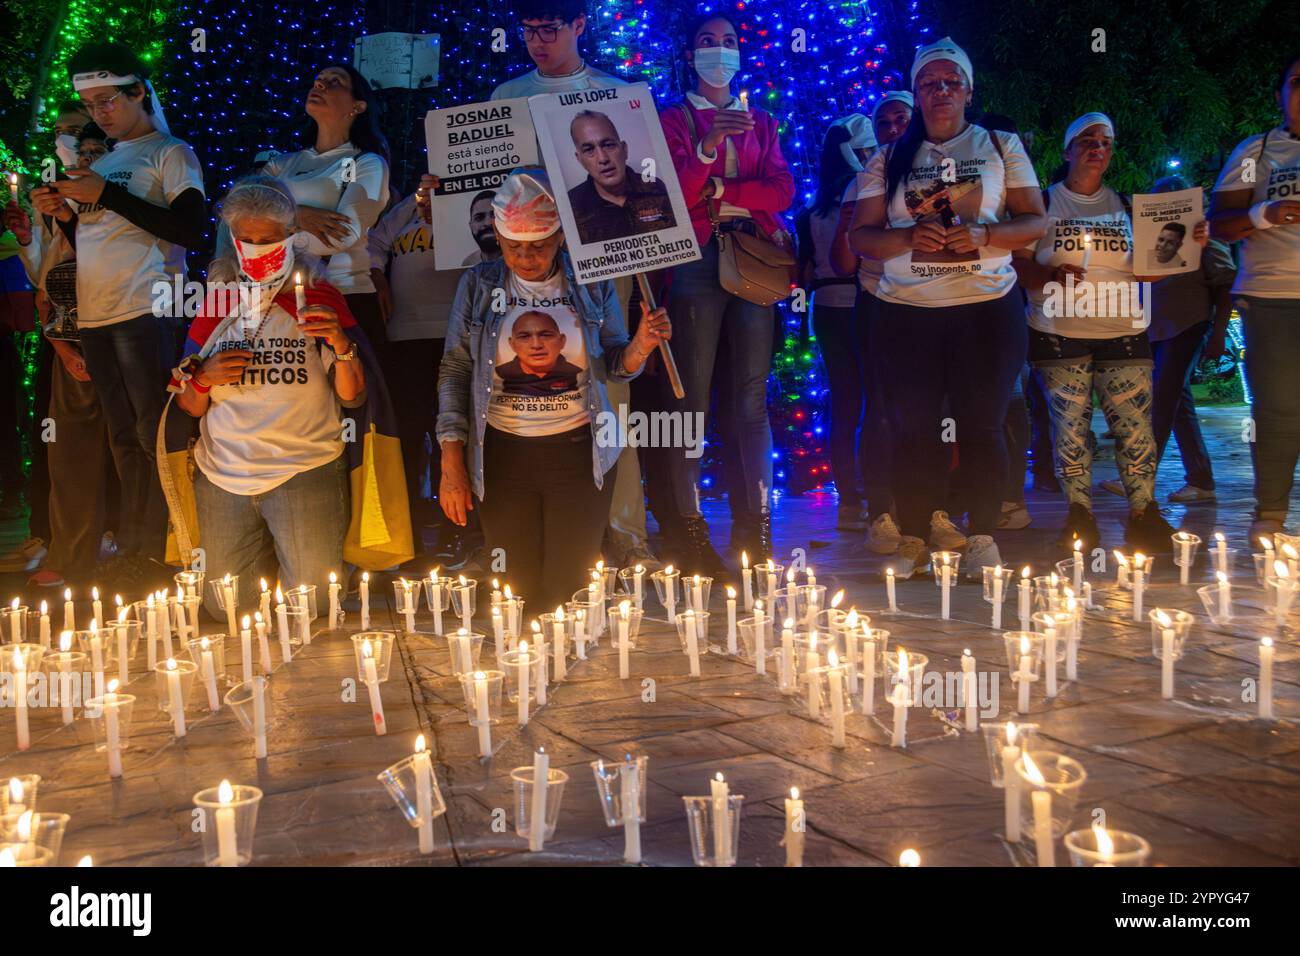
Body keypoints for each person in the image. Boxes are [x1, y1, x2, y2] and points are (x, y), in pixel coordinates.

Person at [849, 37, 1047, 580]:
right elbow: (861, 238)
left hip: (984, 309)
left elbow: (1035, 222)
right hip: (905, 313)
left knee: (981, 425)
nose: (940, 92)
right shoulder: (888, 157)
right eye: (929, 83)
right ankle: (915, 532)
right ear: (915, 92)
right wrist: (909, 238)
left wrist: (983, 233)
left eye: (950, 82)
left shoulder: (1000, 145)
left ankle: (981, 536)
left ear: (968, 89)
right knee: (914, 429)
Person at [436, 169, 671, 612]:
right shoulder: (479, 284)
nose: (526, 258)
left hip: (579, 457)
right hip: (503, 458)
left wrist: (642, 345)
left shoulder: (590, 281)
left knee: (568, 596)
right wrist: (452, 459)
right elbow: (455, 369)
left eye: (539, 245)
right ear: (499, 241)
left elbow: (618, 367)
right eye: (513, 247)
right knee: (517, 594)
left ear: (561, 236)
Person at [26, 42, 205, 590]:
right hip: (98, 314)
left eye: (108, 100)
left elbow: (189, 228)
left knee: (153, 431)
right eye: (91, 103)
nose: (100, 112)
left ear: (138, 92)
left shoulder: (169, 152)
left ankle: (160, 550)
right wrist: (61, 217)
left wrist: (106, 194)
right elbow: (96, 238)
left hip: (146, 308)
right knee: (123, 438)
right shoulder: (101, 161)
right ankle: (133, 545)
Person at [172, 177, 371, 620]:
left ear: (291, 235)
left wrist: (340, 343)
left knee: (314, 607)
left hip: (305, 467)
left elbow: (354, 397)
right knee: (226, 611)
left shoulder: (320, 299)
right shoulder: (217, 303)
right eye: (247, 240)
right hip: (224, 472)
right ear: (233, 239)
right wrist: (203, 378)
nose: (259, 248)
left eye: (270, 239)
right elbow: (186, 405)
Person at [1013, 112, 1193, 555]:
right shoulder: (1041, 204)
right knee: (1071, 431)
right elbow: (1015, 265)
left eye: (1106, 142)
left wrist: (1192, 242)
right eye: (1088, 139)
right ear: (1068, 150)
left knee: (1135, 429)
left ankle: (1143, 513)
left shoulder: (1131, 210)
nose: (1098, 147)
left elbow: (1151, 273)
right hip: (1059, 331)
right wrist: (1050, 274)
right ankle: (1080, 515)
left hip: (1123, 329)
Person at [659, 12, 796, 571]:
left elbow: (783, 189)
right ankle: (689, 530)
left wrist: (717, 185)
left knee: (750, 400)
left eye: (729, 42)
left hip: (753, 259)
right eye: (707, 42)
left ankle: (754, 526)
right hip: (693, 259)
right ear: (690, 56)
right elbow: (674, 192)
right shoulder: (671, 120)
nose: (720, 51)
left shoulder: (761, 119)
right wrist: (710, 146)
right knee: (687, 399)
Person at [5, 125, 115, 588]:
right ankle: (72, 552)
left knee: (127, 450)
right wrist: (30, 239)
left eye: (96, 152)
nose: (85, 161)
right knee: (69, 453)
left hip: (126, 334)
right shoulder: (57, 209)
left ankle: (127, 546)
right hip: (70, 341)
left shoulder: (126, 209)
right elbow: (47, 286)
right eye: (79, 152)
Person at [222, 64, 391, 348]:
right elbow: (234, 214)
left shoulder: (365, 163)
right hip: (275, 296)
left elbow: (342, 235)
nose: (320, 85)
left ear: (359, 105)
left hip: (344, 295)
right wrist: (300, 217)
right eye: (318, 80)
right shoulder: (282, 163)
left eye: (334, 82)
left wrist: (273, 223)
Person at [1209, 55, 1300, 543]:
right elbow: (1219, 223)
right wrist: (1268, 213)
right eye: (1297, 82)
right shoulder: (1257, 151)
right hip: (1273, 296)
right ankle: (1270, 515)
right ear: (1281, 94)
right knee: (1279, 407)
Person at [370, 183, 478, 569]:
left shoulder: (470, 203)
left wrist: (449, 216)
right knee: (410, 443)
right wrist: (377, 276)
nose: (429, 185)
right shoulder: (404, 209)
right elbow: (373, 243)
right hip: (403, 337)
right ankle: (410, 538)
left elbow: (487, 247)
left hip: (451, 336)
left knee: (453, 439)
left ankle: (458, 534)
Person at [830, 91, 914, 554]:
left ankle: (927, 507)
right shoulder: (861, 181)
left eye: (902, 118)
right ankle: (881, 511)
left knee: (929, 409)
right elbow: (842, 263)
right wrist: (851, 226)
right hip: (878, 303)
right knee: (878, 410)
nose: (893, 127)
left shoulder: (940, 171)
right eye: (883, 122)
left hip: (935, 303)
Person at [797, 118, 875, 533]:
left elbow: (804, 270)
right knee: (876, 402)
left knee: (844, 404)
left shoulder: (810, 212)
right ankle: (880, 492)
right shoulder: (868, 195)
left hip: (826, 309)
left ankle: (850, 498)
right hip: (864, 305)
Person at [1147, 175, 1237, 505]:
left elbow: (1226, 285)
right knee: (1179, 405)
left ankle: (1142, 474)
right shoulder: (1155, 240)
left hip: (1189, 326)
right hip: (1156, 329)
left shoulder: (1205, 236)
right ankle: (1201, 480)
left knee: (1163, 398)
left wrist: (1217, 334)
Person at [567, 110, 676, 243]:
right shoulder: (571, 205)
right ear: (580, 160)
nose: (603, 158)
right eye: (589, 150)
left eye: (608, 145)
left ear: (624, 149)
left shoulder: (655, 187)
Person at [491, 0, 627, 100]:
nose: (536, 43)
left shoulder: (618, 92)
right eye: (528, 30)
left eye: (548, 30)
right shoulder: (506, 95)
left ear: (578, 25)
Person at [460, 190, 499, 266]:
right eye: (479, 218)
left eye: (494, 215)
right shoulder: (468, 263)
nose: (488, 223)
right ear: (471, 225)